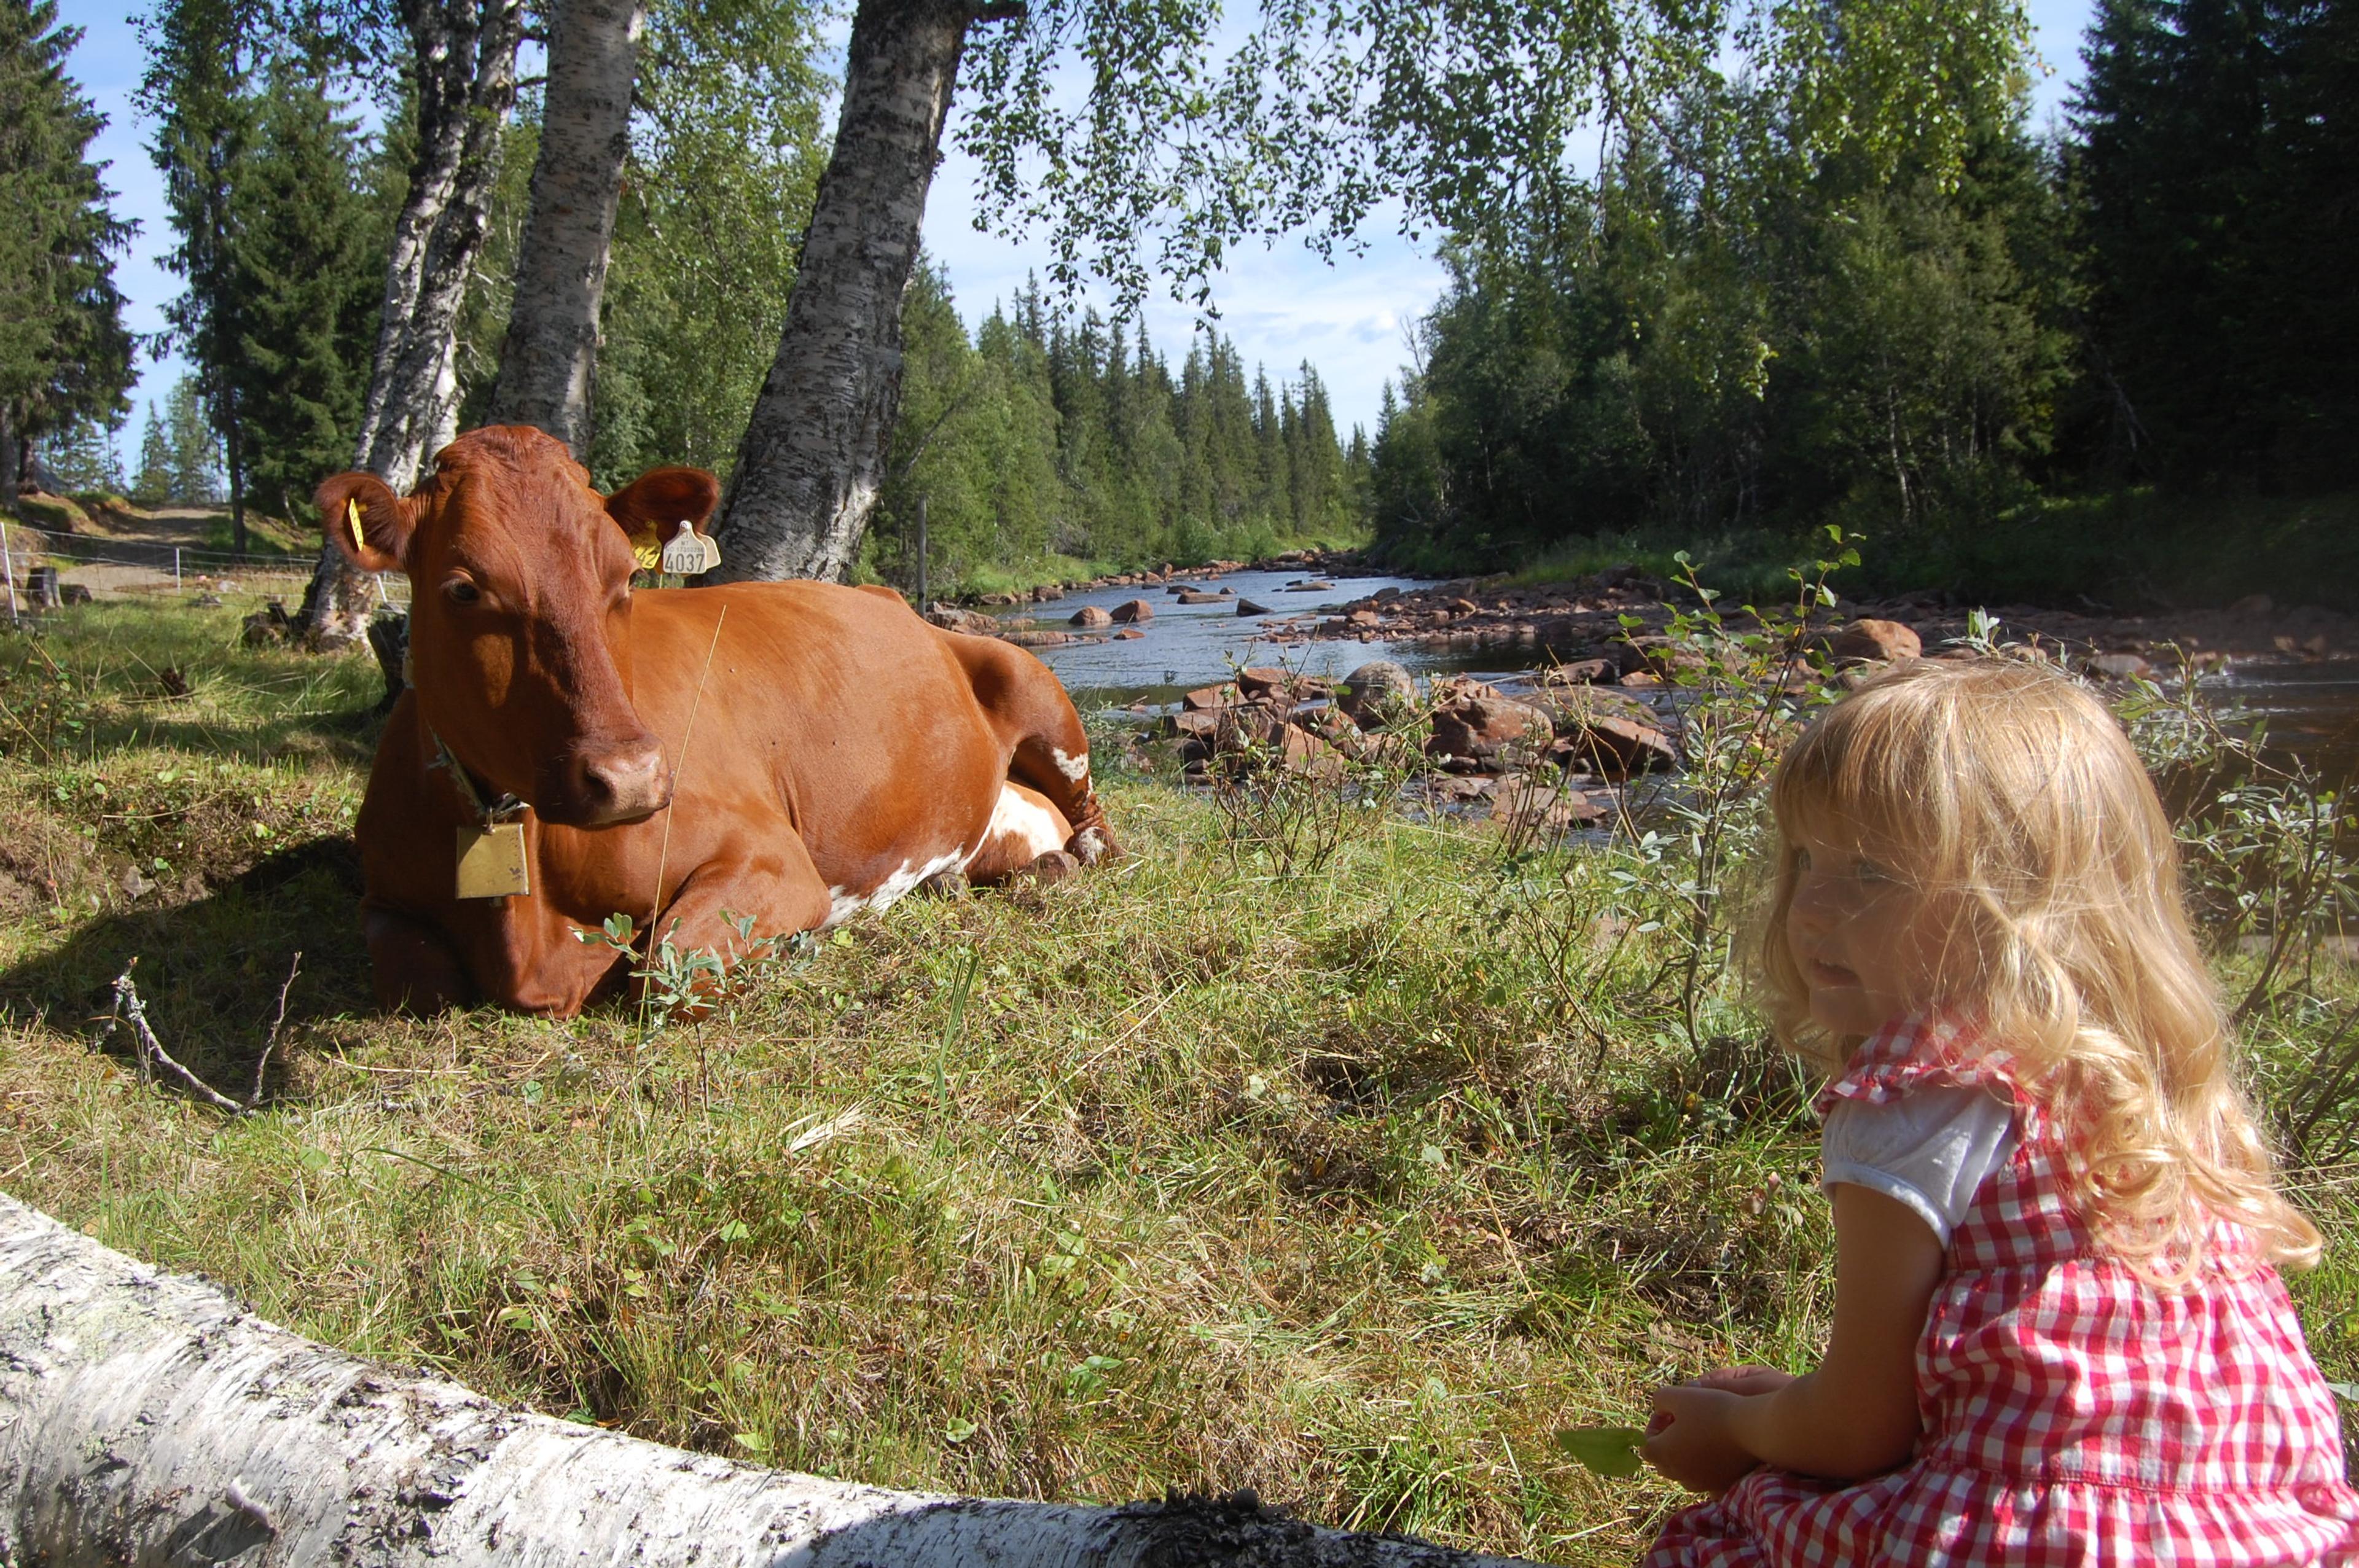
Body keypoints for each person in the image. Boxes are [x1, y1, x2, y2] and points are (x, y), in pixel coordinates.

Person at [1640, 656, 2359, 1565]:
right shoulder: (2142, 1082)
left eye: (1873, 872)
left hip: (2026, 1539)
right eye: (1806, 857)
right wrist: (1788, 1399)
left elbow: (1861, 1428)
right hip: (2258, 1531)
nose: (1812, 907)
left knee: (1721, 1537)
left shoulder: (1912, 1103)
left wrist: (1739, 1431)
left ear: (2015, 907)